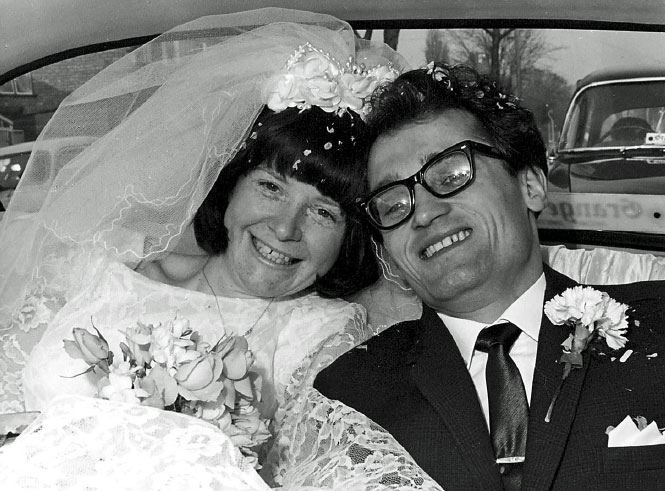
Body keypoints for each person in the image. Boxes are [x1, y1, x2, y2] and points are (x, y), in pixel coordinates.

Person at [0, 9, 432, 490]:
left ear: (350, 237)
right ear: (229, 190)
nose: (285, 228)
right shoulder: (93, 268)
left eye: (324, 212)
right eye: (271, 187)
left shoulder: (323, 343)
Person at [314, 62, 665, 490]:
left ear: (531, 186)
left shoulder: (657, 326)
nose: (423, 213)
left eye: (450, 175)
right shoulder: (350, 392)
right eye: (392, 204)